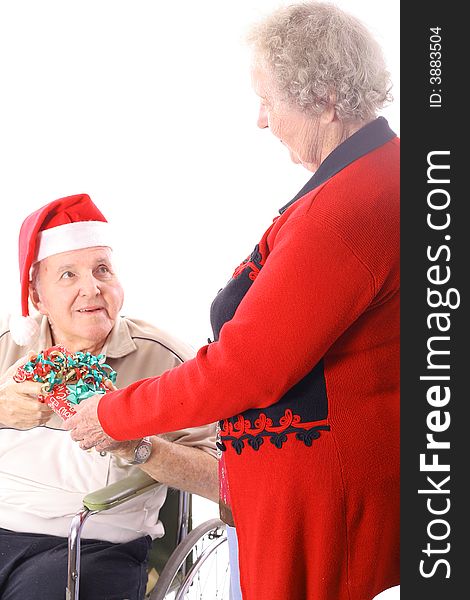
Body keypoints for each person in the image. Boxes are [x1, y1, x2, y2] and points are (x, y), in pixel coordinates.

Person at [67, 3, 400, 599]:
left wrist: (112, 413)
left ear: (322, 96)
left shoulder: (349, 208)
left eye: (268, 99)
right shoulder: (371, 179)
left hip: (320, 512)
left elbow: (246, 368)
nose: (262, 121)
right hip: (304, 497)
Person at [0, 193, 218, 600]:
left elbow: (221, 481)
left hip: (92, 544)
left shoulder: (167, 360)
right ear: (36, 297)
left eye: (103, 270)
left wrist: (139, 447)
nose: (92, 289)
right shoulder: (7, 346)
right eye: (68, 275)